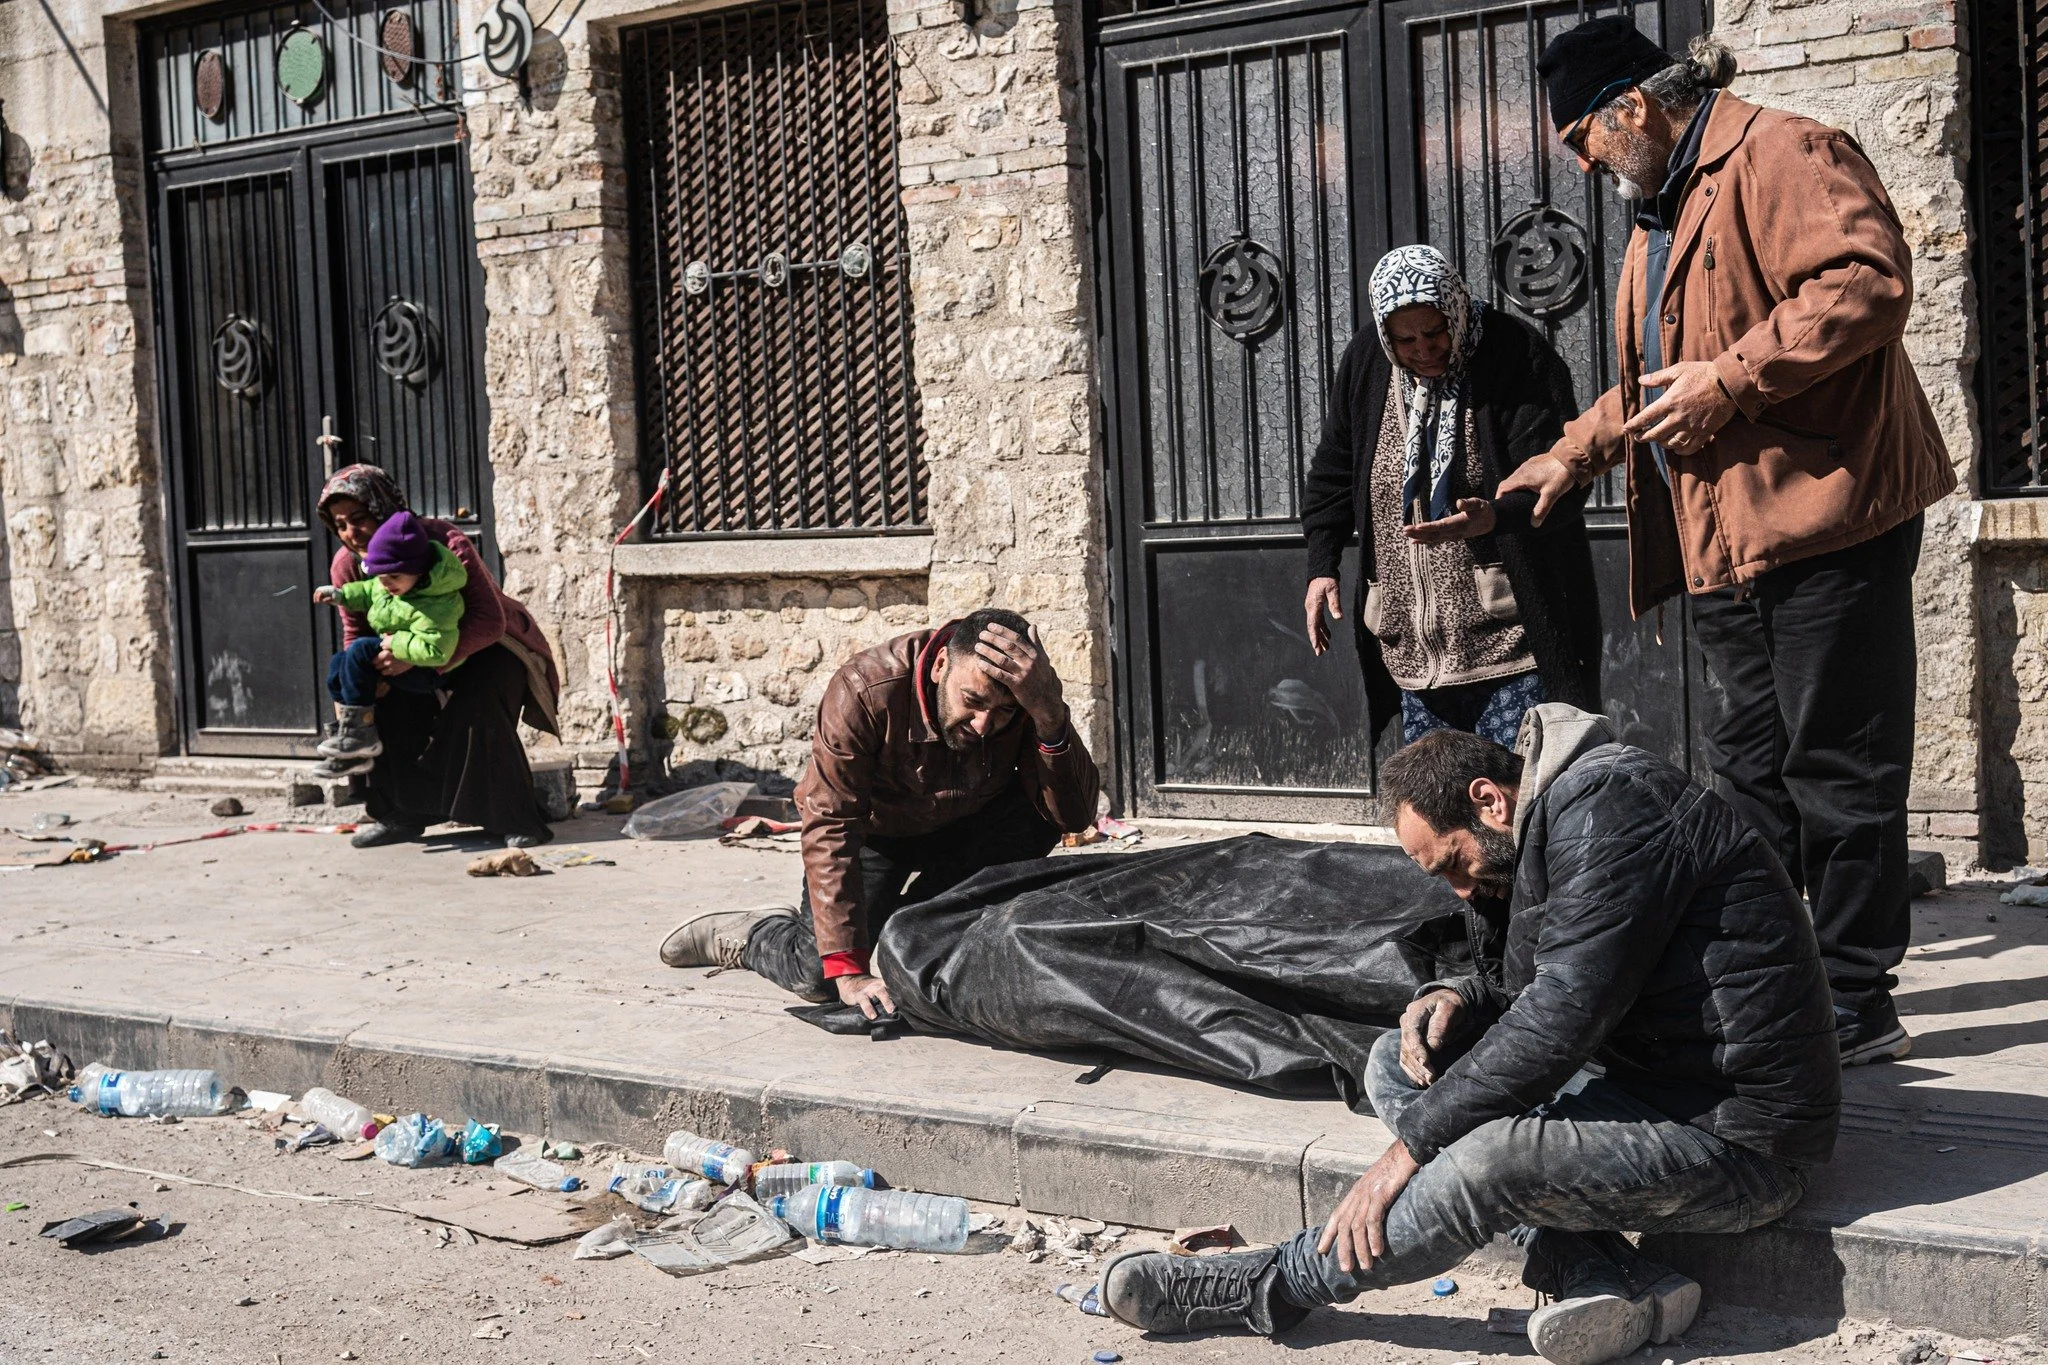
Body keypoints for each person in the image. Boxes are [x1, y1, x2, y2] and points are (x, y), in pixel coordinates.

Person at [1094, 709, 1840, 1365]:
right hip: (1645, 1086)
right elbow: (1549, 976)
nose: (1457, 889)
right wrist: (1454, 992)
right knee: (1398, 1059)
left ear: (1489, 799)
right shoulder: (1544, 823)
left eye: (1454, 861)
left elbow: (1563, 1015)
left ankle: (1269, 1284)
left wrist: (1406, 1151)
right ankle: (1607, 1272)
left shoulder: (1610, 803)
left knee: (1483, 1155)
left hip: (1740, 1144)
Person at [1497, 19, 1954, 1064]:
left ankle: (1853, 996)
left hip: (1826, 522)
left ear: (1634, 107)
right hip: (1728, 540)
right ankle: (1766, 975)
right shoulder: (1660, 211)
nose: (1578, 162)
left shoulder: (1781, 152)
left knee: (1835, 767)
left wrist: (1734, 378)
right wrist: (1573, 453)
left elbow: (1865, 281)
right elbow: (1665, 377)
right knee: (1747, 777)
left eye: (1581, 136)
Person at [659, 607, 1100, 1016]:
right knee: (820, 976)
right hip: (877, 834)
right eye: (974, 700)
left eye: (1004, 711)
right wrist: (848, 970)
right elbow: (830, 823)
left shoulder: (1027, 699)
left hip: (968, 827)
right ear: (942, 665)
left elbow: (1073, 818)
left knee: (912, 952)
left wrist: (1048, 715)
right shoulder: (864, 689)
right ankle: (756, 932)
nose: (985, 724)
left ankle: (906, 927)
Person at [1301, 245, 1600, 750]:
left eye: (1435, 331)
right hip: (1414, 660)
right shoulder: (1367, 361)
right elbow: (1333, 470)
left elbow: (1564, 484)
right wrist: (1321, 564)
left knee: (1517, 808)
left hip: (1512, 647)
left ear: (1455, 309)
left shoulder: (1516, 353)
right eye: (1405, 338)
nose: (1423, 349)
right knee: (1441, 817)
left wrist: (1494, 517)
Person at [317, 465, 562, 850]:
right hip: (407, 651)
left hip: (487, 647)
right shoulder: (347, 566)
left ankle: (515, 816)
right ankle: (402, 813)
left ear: (381, 507)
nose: (351, 532)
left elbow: (489, 619)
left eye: (359, 518)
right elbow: (357, 632)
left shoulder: (441, 541)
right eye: (340, 524)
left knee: (477, 707)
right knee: (383, 705)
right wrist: (368, 679)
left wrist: (429, 660)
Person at [311, 510, 467, 776]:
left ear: (418, 570)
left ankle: (361, 736)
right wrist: (339, 595)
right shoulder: (389, 584)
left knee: (359, 650)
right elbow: (366, 591)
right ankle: (350, 741)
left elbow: (438, 650)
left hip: (427, 672)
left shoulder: (438, 602)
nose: (387, 585)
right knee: (339, 665)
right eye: (382, 579)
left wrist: (398, 643)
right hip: (398, 653)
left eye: (393, 578)